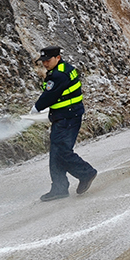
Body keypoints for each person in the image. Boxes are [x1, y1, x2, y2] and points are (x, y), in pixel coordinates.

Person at [31, 46, 98, 202]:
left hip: (68, 117)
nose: (45, 64)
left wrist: (37, 108)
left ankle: (86, 173)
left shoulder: (59, 75)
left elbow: (50, 95)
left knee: (61, 151)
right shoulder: (63, 68)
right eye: (43, 61)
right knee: (56, 152)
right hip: (65, 115)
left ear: (57, 58)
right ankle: (59, 188)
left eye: (48, 60)